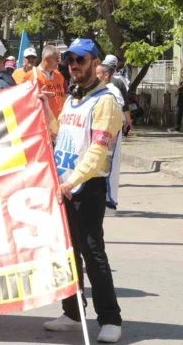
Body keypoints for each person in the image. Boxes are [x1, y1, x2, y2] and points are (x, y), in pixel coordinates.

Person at [39, 38, 123, 344]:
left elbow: (99, 151)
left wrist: (72, 181)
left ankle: (110, 319)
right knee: (67, 252)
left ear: (94, 63)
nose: (74, 65)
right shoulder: (73, 99)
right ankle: (73, 313)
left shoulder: (106, 101)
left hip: (87, 188)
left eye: (81, 60)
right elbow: (59, 135)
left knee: (92, 253)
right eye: (70, 60)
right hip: (65, 186)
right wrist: (45, 107)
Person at [28, 44, 68, 119]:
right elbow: (26, 102)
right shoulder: (32, 76)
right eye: (56, 59)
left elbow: (64, 94)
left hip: (59, 121)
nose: (58, 62)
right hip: (43, 121)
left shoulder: (58, 75)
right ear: (46, 59)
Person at [102, 55, 132, 136]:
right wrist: (128, 120)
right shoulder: (120, 81)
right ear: (116, 65)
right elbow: (125, 104)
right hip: (117, 119)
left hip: (100, 118)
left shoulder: (98, 79)